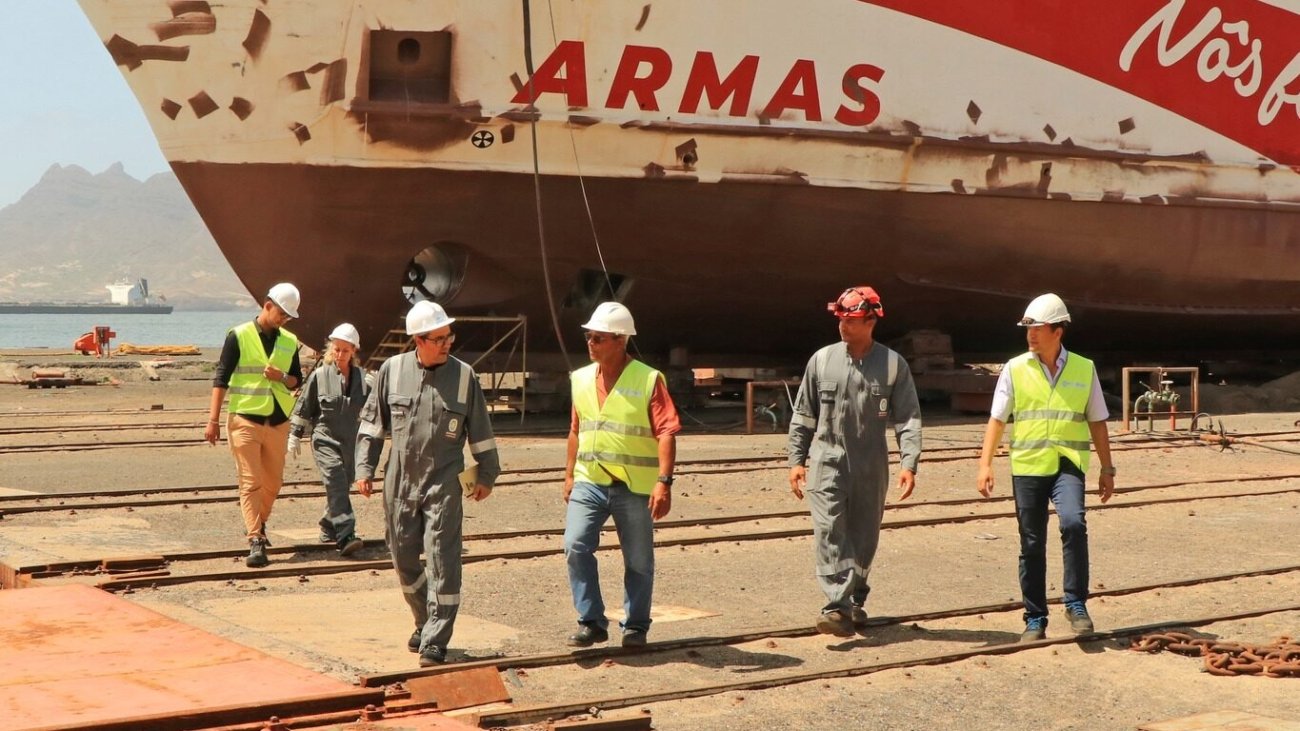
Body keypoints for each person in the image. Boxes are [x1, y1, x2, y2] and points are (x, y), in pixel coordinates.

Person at [354, 301, 500, 667]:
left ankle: (436, 638)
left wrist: (487, 474)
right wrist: (364, 467)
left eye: (449, 335)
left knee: (442, 560)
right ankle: (424, 618)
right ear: (418, 340)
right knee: (403, 557)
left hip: (445, 480)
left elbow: (481, 433)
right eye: (439, 338)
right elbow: (373, 424)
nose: (447, 343)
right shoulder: (391, 370)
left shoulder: (465, 377)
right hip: (399, 480)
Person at [975, 293, 1116, 642]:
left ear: (1058, 331)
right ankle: (1035, 618)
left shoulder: (1084, 368)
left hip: (1068, 463)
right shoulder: (1015, 368)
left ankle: (1075, 603)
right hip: (1028, 467)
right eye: (1027, 328)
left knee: (1073, 523)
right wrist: (985, 464)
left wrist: (1108, 468)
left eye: (1037, 328)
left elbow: (1098, 421)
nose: (1030, 335)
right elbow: (997, 419)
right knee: (1032, 543)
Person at [787, 286, 923, 637]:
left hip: (870, 466)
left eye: (850, 320)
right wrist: (796, 459)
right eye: (841, 320)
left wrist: (909, 462)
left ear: (871, 320)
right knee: (829, 529)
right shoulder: (821, 360)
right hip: (826, 461)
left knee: (864, 537)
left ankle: (854, 599)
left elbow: (907, 417)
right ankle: (836, 605)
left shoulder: (893, 366)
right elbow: (804, 414)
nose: (843, 327)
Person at [563, 302, 680, 649]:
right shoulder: (580, 378)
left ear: (620, 340)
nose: (591, 343)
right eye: (589, 336)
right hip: (589, 481)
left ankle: (636, 625)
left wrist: (664, 481)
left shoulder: (647, 379)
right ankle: (592, 622)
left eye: (598, 337)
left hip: (635, 487)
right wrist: (569, 475)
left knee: (639, 561)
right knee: (575, 546)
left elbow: (667, 432)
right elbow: (575, 429)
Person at [205, 283, 303, 568]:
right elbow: (221, 378)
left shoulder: (289, 340)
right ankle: (256, 540)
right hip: (245, 419)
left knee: (273, 483)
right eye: (282, 313)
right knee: (251, 482)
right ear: (267, 304)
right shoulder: (238, 336)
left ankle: (257, 522)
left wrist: (281, 376)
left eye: (288, 316)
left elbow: (296, 380)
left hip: (278, 420)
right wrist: (212, 420)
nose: (284, 319)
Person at [289, 323, 369, 557]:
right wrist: (295, 434)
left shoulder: (364, 380)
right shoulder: (320, 376)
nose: (340, 355)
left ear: (353, 351)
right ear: (330, 349)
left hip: (350, 442)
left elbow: (374, 411)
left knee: (342, 486)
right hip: (324, 438)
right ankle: (346, 535)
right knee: (335, 479)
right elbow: (304, 407)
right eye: (336, 349)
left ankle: (327, 525)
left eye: (345, 350)